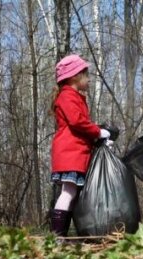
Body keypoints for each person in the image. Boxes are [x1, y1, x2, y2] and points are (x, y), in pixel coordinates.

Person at [50, 54, 111, 236]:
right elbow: (77, 122)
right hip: (70, 153)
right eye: (86, 75)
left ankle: (60, 235)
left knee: (71, 193)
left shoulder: (73, 96)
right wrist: (97, 132)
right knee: (68, 193)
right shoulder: (67, 96)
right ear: (74, 76)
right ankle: (57, 236)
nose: (89, 79)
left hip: (74, 153)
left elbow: (79, 124)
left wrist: (97, 137)